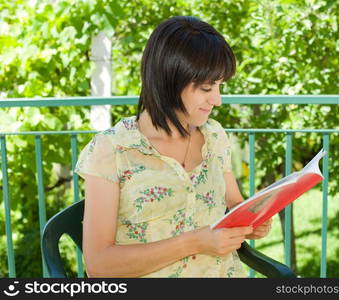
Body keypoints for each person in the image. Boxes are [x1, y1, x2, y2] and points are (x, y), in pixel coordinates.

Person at [75, 15, 272, 278]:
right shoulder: (111, 150)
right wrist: (193, 242)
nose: (218, 100)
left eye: (219, 86)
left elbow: (235, 205)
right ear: (169, 82)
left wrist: (254, 221)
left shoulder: (214, 137)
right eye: (206, 88)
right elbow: (99, 266)